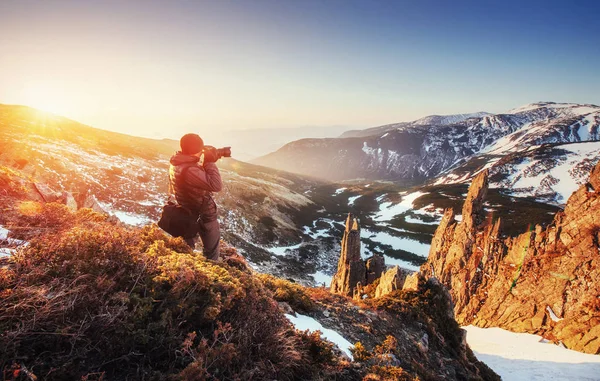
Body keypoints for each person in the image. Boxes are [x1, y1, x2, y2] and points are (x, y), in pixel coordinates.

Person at [168, 133, 223, 260]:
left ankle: (185, 273)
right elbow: (216, 185)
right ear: (196, 151)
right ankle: (209, 274)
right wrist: (209, 162)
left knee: (185, 249)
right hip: (203, 214)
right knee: (211, 252)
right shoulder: (190, 169)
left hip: (187, 212)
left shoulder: (177, 162)